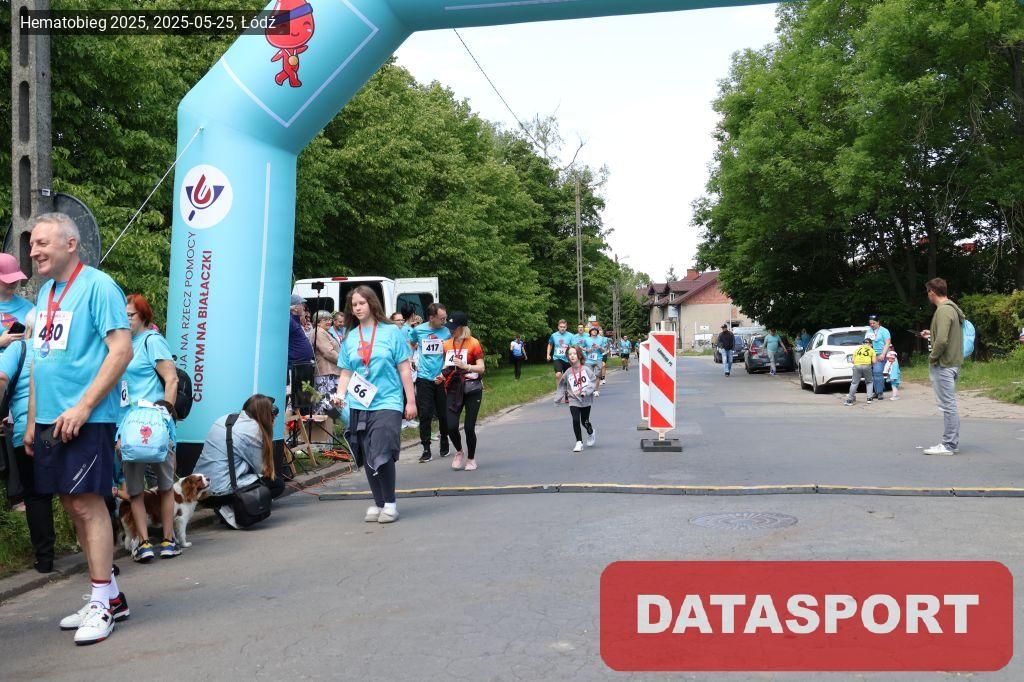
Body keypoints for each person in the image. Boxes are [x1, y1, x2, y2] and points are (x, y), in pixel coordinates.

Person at [24, 212, 133, 645]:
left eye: (42, 243)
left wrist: (84, 407)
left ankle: (102, 601)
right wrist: (32, 420)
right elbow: (40, 359)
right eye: (32, 245)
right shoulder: (45, 293)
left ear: (71, 244)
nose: (33, 251)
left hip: (88, 418)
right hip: (51, 420)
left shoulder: (99, 286)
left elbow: (121, 351)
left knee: (88, 505)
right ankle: (111, 596)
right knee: (72, 505)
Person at [332, 286, 416, 523]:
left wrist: (410, 401)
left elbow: (404, 368)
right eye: (354, 305)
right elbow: (346, 371)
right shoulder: (350, 337)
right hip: (360, 403)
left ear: (372, 303)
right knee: (367, 452)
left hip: (388, 401)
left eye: (362, 303)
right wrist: (340, 394)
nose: (358, 308)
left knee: (381, 448)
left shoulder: (391, 332)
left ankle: (390, 503)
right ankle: (379, 503)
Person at [121, 294, 181, 562]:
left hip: (155, 424)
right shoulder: (120, 344)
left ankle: (168, 539)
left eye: (131, 315)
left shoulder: (152, 341)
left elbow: (171, 379)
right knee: (134, 488)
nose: (126, 320)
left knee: (165, 485)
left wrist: (165, 417)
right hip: (128, 425)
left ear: (144, 316)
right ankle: (143, 542)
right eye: (123, 315)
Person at [0, 321, 55, 574]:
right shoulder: (63, 349)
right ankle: (98, 558)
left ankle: (45, 558)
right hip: (64, 427)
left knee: (35, 495)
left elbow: (1, 378)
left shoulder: (19, 348)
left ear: (30, 329)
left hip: (28, 432)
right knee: (78, 493)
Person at [193, 394, 279, 528]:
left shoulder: (225, 418)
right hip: (219, 492)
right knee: (277, 484)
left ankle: (227, 504)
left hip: (200, 485)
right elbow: (261, 469)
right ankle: (230, 506)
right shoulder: (254, 430)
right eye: (272, 413)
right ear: (264, 414)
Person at [921, 278, 965, 455]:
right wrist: (930, 334)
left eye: (928, 292)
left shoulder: (943, 310)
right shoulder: (952, 308)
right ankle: (951, 443)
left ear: (932, 291)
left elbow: (942, 340)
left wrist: (932, 357)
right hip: (952, 363)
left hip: (944, 364)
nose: (928, 295)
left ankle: (948, 445)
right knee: (949, 405)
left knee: (948, 406)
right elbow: (944, 336)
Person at [440, 312, 485, 471]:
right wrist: (441, 376)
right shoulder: (446, 344)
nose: (450, 330)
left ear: (462, 327)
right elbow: (447, 367)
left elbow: (481, 368)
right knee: (451, 426)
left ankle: (471, 458)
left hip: (472, 388)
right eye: (449, 327)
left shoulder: (473, 343)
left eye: (454, 327)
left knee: (468, 427)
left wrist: (467, 367)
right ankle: (459, 451)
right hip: (453, 388)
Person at [408, 303, 451, 463]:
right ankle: (426, 448)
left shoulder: (447, 332)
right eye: (441, 318)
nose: (444, 321)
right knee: (425, 414)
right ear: (431, 317)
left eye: (445, 318)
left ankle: (444, 438)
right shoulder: (418, 330)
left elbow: (451, 351)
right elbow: (411, 343)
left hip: (441, 377)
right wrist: (411, 357)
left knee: (443, 413)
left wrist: (445, 371)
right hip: (424, 378)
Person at [554, 346, 597, 453]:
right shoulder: (568, 372)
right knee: (576, 420)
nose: (572, 356)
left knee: (584, 421)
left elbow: (593, 381)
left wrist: (584, 392)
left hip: (585, 399)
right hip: (573, 399)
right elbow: (562, 385)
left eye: (574, 353)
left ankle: (591, 432)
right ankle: (579, 442)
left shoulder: (586, 369)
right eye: (570, 354)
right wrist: (558, 398)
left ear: (579, 355)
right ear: (567, 357)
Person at [311, 310, 342, 442]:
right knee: (324, 405)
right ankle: (322, 439)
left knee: (330, 405)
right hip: (324, 373)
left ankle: (329, 437)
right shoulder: (318, 332)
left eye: (330, 319)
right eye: (325, 320)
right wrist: (344, 361)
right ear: (318, 322)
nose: (329, 322)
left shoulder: (325, 332)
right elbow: (328, 352)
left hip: (330, 372)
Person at [0, 253, 34, 353]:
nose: (13, 283)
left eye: (15, 279)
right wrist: (1, 342)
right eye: (8, 280)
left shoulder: (30, 308)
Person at [844, 335, 876, 406]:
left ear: (862, 343)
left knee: (854, 383)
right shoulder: (872, 350)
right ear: (871, 344)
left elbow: (852, 361)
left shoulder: (857, 350)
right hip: (867, 366)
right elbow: (874, 361)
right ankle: (869, 398)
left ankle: (850, 400)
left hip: (857, 366)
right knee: (869, 382)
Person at [867, 314, 892, 400]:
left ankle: (880, 392)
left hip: (880, 354)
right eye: (870, 323)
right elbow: (866, 342)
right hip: (871, 355)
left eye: (873, 323)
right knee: (873, 374)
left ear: (878, 322)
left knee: (877, 372)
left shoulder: (884, 331)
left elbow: (887, 343)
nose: (872, 325)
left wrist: (883, 354)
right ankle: (877, 392)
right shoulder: (869, 331)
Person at [546, 320, 575, 388]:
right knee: (558, 374)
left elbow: (574, 347)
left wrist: (568, 347)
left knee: (568, 376)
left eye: (564, 327)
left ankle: (567, 390)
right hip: (557, 358)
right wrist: (548, 354)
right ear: (558, 327)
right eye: (561, 327)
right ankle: (559, 391)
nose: (562, 328)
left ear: (566, 327)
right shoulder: (554, 335)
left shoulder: (571, 336)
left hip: (568, 359)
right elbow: (550, 344)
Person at [288, 294, 314, 368]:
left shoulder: (295, 320)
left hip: (301, 364)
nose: (304, 307)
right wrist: (289, 308)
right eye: (302, 305)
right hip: (294, 365)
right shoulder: (290, 320)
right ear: (295, 308)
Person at [582, 327, 606, 396]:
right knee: (589, 376)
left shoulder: (601, 339)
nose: (594, 331)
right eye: (593, 330)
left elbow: (603, 351)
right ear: (590, 332)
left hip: (598, 359)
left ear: (597, 332)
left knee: (597, 375)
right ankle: (591, 389)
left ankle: (596, 390)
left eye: (596, 330)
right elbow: (581, 347)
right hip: (588, 360)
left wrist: (599, 347)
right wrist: (587, 350)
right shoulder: (586, 339)